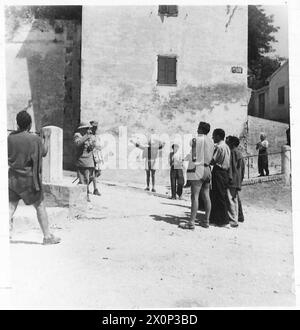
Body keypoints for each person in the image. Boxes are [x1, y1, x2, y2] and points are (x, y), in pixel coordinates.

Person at [8, 110, 61, 245]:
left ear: (18, 123)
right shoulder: (34, 139)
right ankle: (47, 236)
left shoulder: (10, 138)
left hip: (13, 178)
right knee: (40, 206)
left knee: (10, 207)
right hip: (29, 180)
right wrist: (47, 138)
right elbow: (43, 152)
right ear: (30, 124)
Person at [179, 121, 214, 230]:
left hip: (198, 168)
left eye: (198, 128)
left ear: (201, 129)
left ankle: (191, 222)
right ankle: (206, 221)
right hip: (208, 168)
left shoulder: (197, 139)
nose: (197, 130)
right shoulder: (211, 141)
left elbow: (194, 157)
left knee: (195, 196)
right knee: (206, 195)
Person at [209, 128, 231, 227]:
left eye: (214, 135)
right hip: (225, 172)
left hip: (219, 171)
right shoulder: (226, 146)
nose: (213, 137)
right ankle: (216, 219)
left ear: (218, 136)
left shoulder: (219, 147)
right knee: (219, 195)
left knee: (219, 196)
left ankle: (224, 221)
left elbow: (213, 160)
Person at [73, 122, 96, 201]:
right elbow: (78, 143)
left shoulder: (87, 136)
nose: (88, 130)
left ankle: (81, 194)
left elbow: (89, 149)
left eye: (88, 128)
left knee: (87, 180)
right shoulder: (78, 135)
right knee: (84, 180)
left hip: (89, 161)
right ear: (82, 128)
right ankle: (84, 196)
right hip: (82, 161)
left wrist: (92, 144)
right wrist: (86, 136)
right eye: (86, 128)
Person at [226, 136, 245, 228]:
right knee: (235, 199)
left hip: (232, 179)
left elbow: (230, 167)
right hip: (237, 179)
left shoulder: (232, 153)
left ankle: (233, 220)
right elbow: (243, 169)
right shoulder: (240, 153)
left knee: (230, 199)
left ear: (232, 144)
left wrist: (229, 178)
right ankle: (237, 217)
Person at [89, 120, 103, 196]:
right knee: (93, 173)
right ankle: (95, 189)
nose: (95, 129)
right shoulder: (89, 135)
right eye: (93, 127)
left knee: (98, 173)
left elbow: (99, 146)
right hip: (92, 155)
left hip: (98, 156)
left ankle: (85, 185)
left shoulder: (97, 136)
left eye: (96, 127)